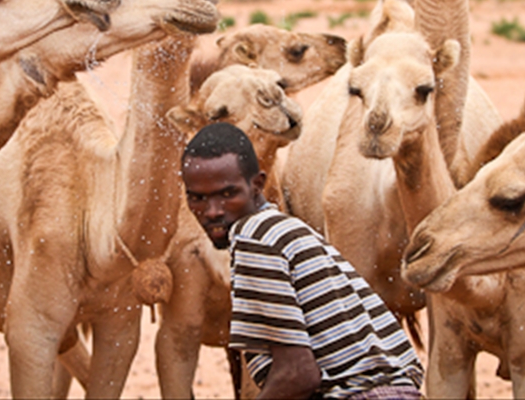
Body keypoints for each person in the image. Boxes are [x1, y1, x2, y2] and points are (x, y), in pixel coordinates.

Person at [181, 122, 424, 400]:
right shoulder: (285, 231)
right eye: (197, 198)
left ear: (257, 184)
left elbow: (297, 373)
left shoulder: (254, 238)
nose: (212, 211)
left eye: (227, 194)